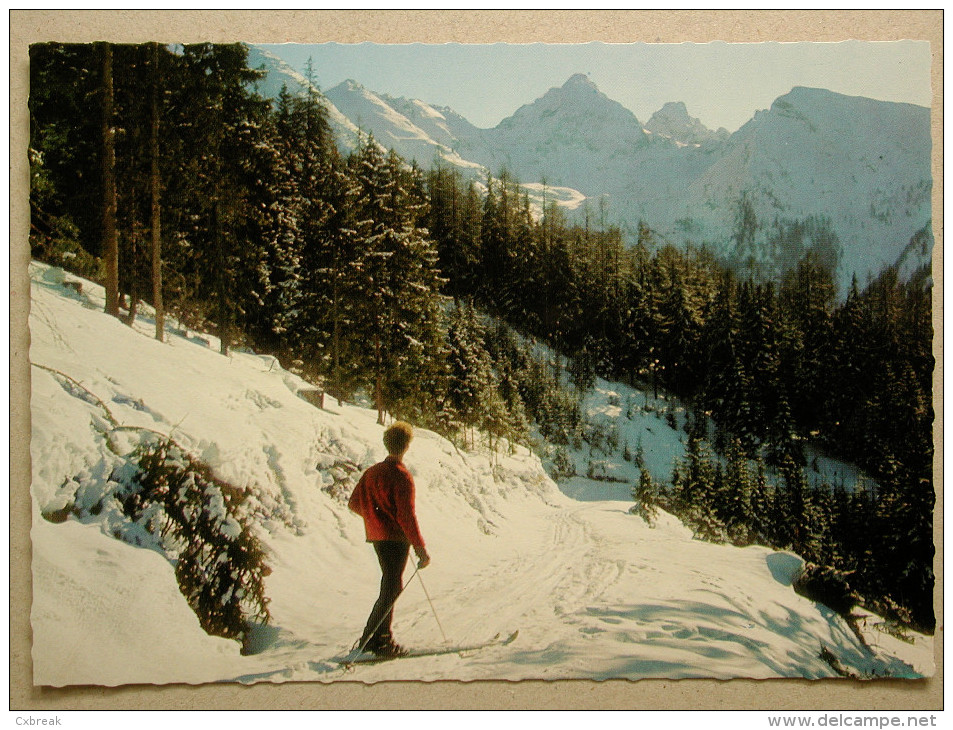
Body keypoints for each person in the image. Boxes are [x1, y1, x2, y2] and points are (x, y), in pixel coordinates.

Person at [348, 421, 430, 657]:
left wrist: (375, 517)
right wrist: (420, 548)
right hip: (395, 539)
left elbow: (354, 503)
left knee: (390, 585)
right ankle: (376, 640)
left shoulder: (372, 472)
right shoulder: (402, 476)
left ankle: (375, 638)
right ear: (406, 446)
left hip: (377, 537)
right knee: (392, 587)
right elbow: (406, 516)